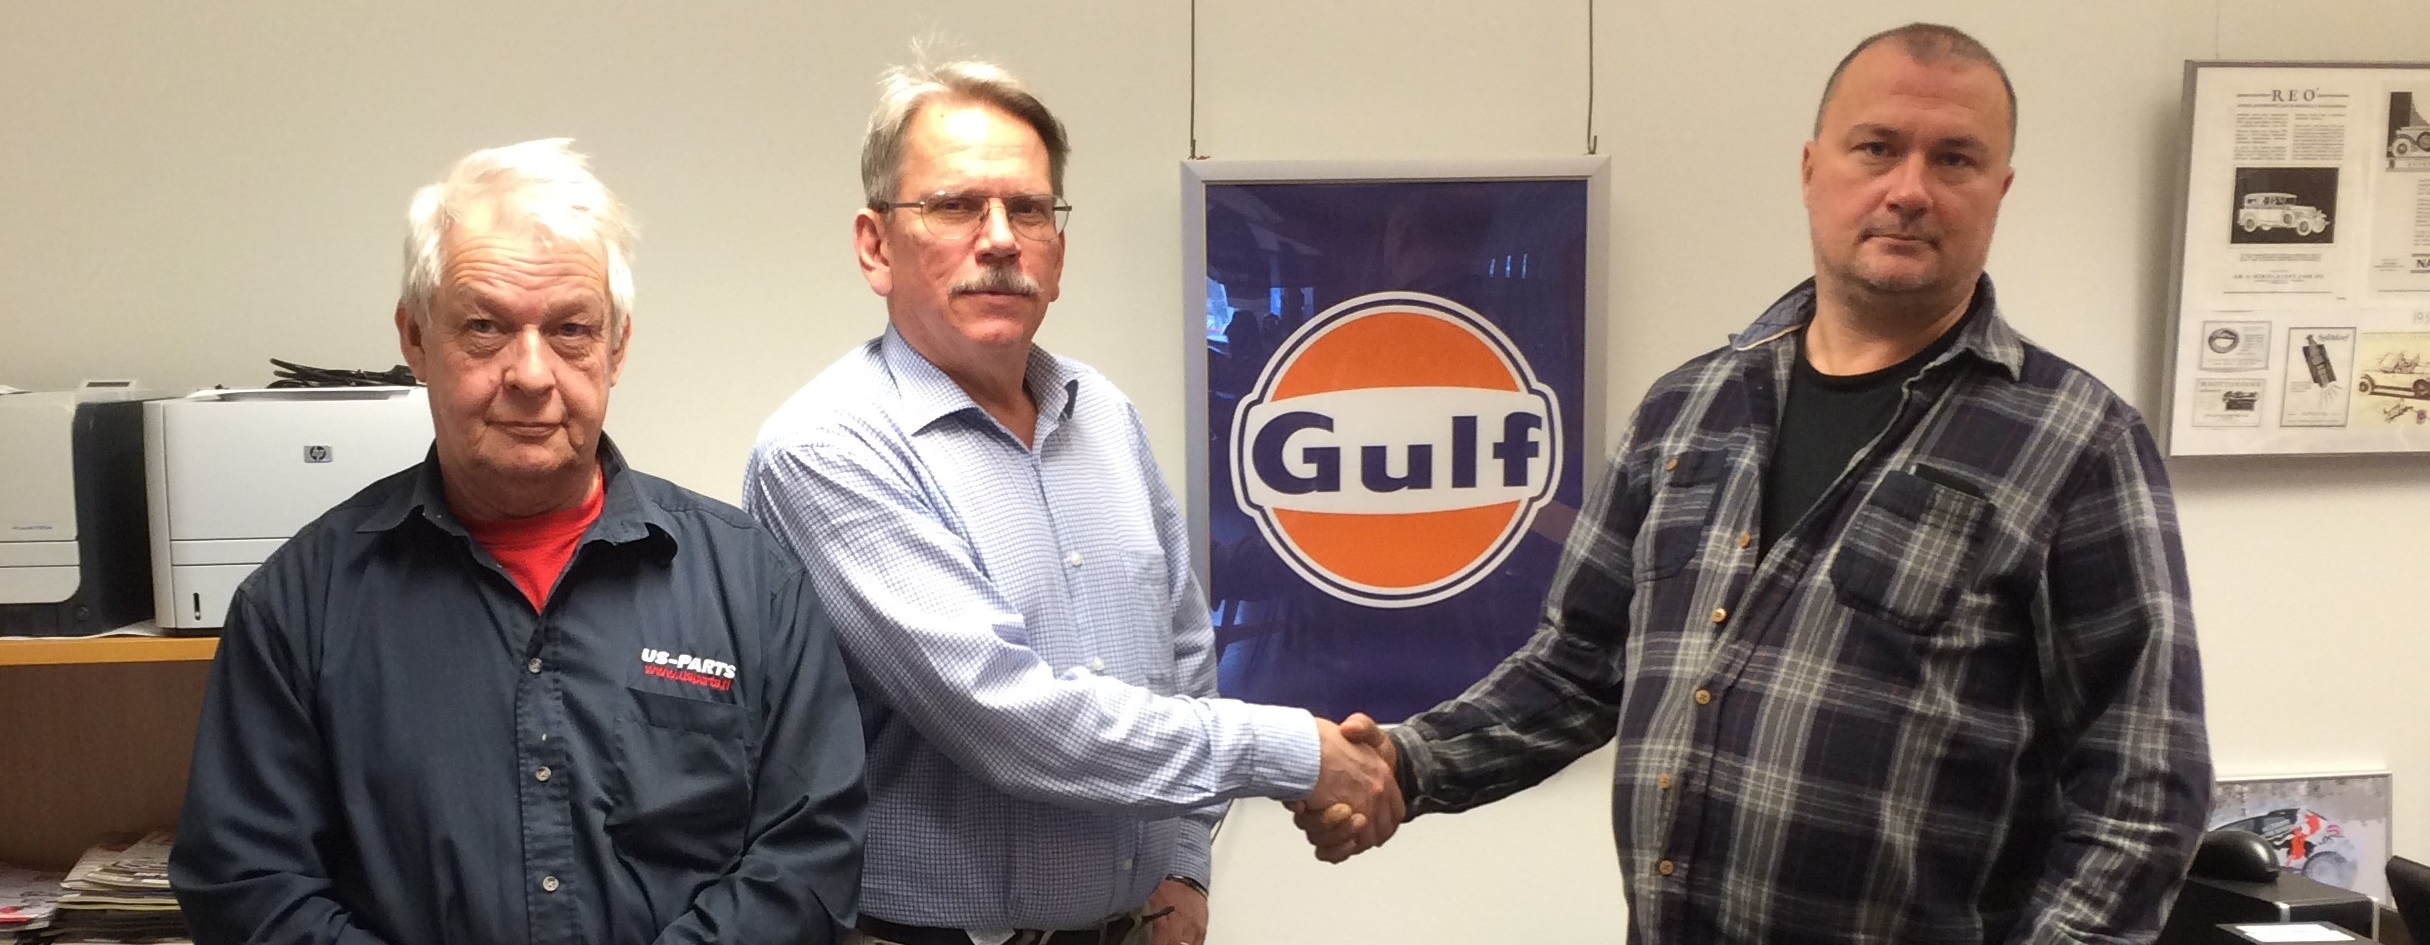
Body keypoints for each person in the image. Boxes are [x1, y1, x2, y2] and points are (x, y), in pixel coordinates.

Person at [1302, 23, 2213, 944]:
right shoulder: (1687, 410)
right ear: (1813, 170)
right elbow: (1578, 664)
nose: (1909, 189)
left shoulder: (2078, 442)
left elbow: (2143, 787)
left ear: (1999, 189)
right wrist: (1405, 764)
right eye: (1877, 147)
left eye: (1955, 159)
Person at [743, 60, 1397, 945]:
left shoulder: (1103, 412)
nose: (1000, 239)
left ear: (1058, 250)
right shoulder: (829, 447)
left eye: (1029, 209)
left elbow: (1184, 649)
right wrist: (1296, 754)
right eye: (955, 205)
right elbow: (1007, 717)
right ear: (875, 246)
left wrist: (1184, 864)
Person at [170, 139, 867, 945]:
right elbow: (247, 882)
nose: (531, 374)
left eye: (571, 328)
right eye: (484, 327)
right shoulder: (300, 604)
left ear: (616, 347)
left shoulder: (752, 584)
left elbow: (809, 856)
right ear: (415, 339)